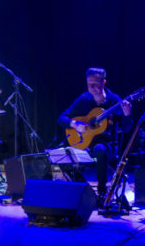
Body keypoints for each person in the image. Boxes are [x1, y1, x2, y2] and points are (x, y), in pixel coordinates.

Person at [57, 68, 133, 198]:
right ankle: (85, 191)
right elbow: (61, 118)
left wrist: (127, 115)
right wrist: (75, 124)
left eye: (95, 85)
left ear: (104, 83)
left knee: (99, 149)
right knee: (60, 154)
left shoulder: (114, 101)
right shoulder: (84, 99)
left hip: (108, 146)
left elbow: (127, 129)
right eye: (89, 84)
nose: (91, 88)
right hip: (84, 144)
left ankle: (102, 192)